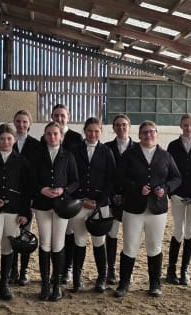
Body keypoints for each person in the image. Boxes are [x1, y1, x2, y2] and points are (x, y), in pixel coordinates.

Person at [113, 121, 181, 298]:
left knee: (155, 246)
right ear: (139, 135)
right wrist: (136, 187)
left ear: (157, 133)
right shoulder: (129, 155)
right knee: (130, 246)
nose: (148, 135)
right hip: (133, 208)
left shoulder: (166, 156)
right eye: (144, 132)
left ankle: (155, 283)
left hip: (157, 209)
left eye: (151, 132)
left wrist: (165, 189)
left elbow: (176, 178)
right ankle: (124, 283)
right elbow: (119, 178)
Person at [0, 123, 32, 301]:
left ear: (14, 139)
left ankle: (4, 284)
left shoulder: (22, 161)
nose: (6, 142)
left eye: (9, 138)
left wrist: (25, 213)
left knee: (8, 246)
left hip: (14, 210)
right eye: (2, 139)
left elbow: (27, 189)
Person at [30, 121, 80, 301]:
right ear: (45, 136)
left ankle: (57, 286)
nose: (52, 137)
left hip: (61, 205)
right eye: (49, 134)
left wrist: (63, 190)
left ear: (61, 136)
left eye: (55, 134)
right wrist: (41, 189)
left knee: (58, 244)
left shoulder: (68, 156)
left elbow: (75, 181)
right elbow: (31, 179)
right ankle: (45, 285)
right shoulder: (37, 155)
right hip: (42, 205)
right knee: (45, 243)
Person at [69, 118, 116, 292]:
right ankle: (77, 278)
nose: (93, 134)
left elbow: (111, 180)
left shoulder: (106, 151)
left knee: (99, 241)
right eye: (90, 130)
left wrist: (99, 202)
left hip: (100, 204)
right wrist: (80, 199)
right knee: (79, 240)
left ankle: (101, 278)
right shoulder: (74, 150)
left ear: (101, 132)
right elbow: (70, 177)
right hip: (80, 203)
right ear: (84, 131)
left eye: (96, 131)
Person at [46, 103, 84, 285]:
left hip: (70, 195)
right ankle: (56, 270)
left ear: (68, 117)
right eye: (56, 115)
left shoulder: (76, 138)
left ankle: (67, 268)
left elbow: (78, 168)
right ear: (52, 117)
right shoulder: (46, 136)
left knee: (69, 233)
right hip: (50, 196)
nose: (59, 118)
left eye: (62, 115)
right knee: (53, 236)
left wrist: (69, 190)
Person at [166, 113, 191, 286]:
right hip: (177, 195)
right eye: (186, 125)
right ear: (181, 126)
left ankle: (185, 270)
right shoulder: (173, 146)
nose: (189, 128)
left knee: (189, 230)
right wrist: (171, 193)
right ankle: (171, 269)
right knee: (178, 230)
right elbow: (167, 170)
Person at [103, 114, 135, 286]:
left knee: (131, 235)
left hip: (131, 198)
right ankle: (111, 268)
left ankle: (128, 270)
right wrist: (112, 195)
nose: (121, 128)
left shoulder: (137, 148)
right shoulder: (106, 147)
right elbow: (106, 174)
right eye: (117, 125)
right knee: (112, 233)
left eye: (124, 125)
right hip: (112, 197)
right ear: (113, 128)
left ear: (129, 127)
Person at [11, 109, 42, 286]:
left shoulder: (36, 145)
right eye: (18, 121)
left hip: (28, 196)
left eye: (24, 121)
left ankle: (24, 270)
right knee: (12, 233)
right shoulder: (8, 140)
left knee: (24, 233)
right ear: (14, 123)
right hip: (11, 195)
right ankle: (12, 269)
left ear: (29, 124)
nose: (21, 125)